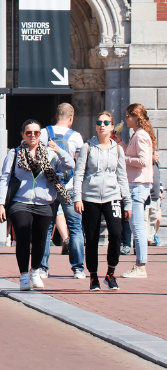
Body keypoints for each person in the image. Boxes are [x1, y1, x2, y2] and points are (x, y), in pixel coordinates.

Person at [0, 118, 75, 291]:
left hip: (44, 202)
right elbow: (4, 178)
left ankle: (35, 271)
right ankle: (24, 275)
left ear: (41, 135)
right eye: (29, 133)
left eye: (36, 133)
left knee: (40, 241)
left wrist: (58, 149)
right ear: (23, 135)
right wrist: (1, 204)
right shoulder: (14, 153)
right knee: (23, 236)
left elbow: (70, 164)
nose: (32, 136)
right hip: (20, 201)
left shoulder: (50, 153)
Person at [74, 111, 131, 291]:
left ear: (112, 127)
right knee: (91, 238)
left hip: (112, 196)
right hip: (90, 197)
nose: (102, 125)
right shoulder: (87, 147)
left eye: (106, 122)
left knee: (116, 233)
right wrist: (77, 198)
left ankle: (111, 273)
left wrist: (127, 202)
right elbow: (79, 174)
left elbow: (122, 176)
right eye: (99, 122)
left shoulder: (117, 149)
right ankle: (93, 276)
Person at [41, 103, 86, 279]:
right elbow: (80, 164)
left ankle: (43, 268)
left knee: (46, 228)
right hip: (69, 187)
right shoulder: (76, 137)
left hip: (48, 188)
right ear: (71, 117)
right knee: (75, 228)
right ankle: (78, 269)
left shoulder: (44, 133)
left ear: (56, 116)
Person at [121, 103, 155, 278]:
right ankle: (140, 264)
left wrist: (123, 158)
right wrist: (120, 143)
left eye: (128, 116)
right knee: (136, 225)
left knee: (137, 226)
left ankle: (141, 265)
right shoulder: (139, 134)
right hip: (138, 183)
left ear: (135, 117)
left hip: (138, 184)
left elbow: (142, 160)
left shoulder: (141, 135)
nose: (126, 119)